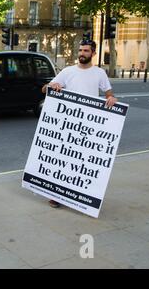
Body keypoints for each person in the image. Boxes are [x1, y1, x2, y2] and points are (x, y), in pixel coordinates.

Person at [41, 39, 117, 208]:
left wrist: (111, 98)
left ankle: (79, 194)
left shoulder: (99, 73)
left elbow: (109, 93)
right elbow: (44, 89)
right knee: (63, 159)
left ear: (93, 54)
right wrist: (52, 85)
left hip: (89, 125)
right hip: (68, 124)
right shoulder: (68, 71)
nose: (82, 53)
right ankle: (57, 195)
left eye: (86, 51)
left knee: (82, 162)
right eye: (81, 50)